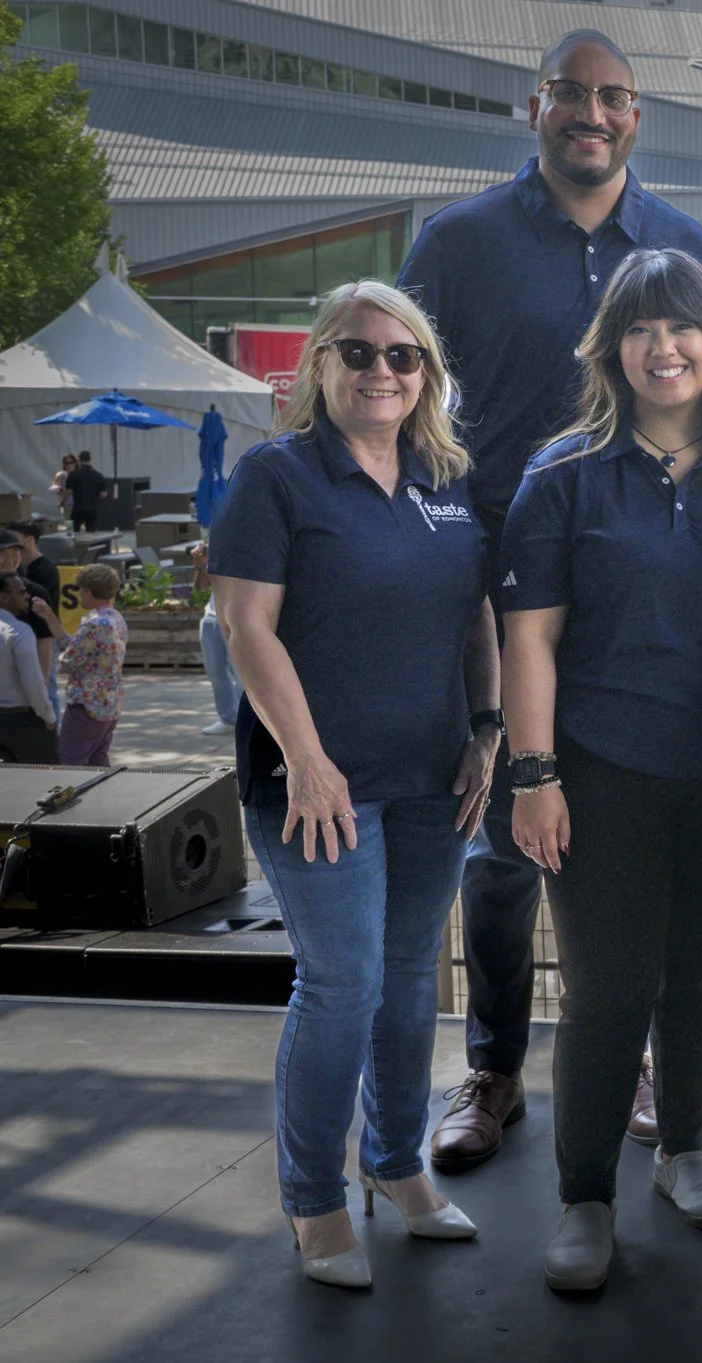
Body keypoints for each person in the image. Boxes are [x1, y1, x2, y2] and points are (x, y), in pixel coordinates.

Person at [397, 26, 702, 1170]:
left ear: (637, 116)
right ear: (534, 107)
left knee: (634, 849)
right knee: (497, 851)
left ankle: (621, 1049)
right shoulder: (454, 244)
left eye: (614, 98)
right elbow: (404, 416)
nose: (593, 113)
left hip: (645, 601)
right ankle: (492, 1066)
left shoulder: (687, 247)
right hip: (496, 605)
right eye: (572, 95)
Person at [499, 249, 702, 1290]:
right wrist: (533, 773)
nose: (663, 348)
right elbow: (528, 639)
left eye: (682, 328)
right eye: (640, 329)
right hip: (602, 768)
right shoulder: (564, 475)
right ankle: (585, 1195)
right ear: (613, 349)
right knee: (606, 987)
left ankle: (681, 1150)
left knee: (700, 973)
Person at [208, 280, 498, 1289]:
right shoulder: (277, 476)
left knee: (413, 979)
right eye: (359, 352)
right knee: (342, 985)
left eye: (402, 354)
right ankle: (313, 1199)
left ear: (426, 373)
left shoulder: (448, 479)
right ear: (319, 366)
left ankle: (395, 1167)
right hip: (314, 790)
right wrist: (308, 755)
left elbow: (475, 618)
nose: (382, 370)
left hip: (432, 779)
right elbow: (245, 625)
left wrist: (488, 729)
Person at [42, 563, 125, 766]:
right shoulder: (115, 618)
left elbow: (69, 660)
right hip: (109, 703)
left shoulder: (93, 624)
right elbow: (81, 648)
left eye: (80, 590)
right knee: (98, 760)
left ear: (88, 591)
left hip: (87, 705)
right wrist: (50, 618)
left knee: (70, 762)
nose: (79, 594)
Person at [0, 578, 57, 763]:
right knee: (52, 783)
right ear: (3, 597)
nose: (28, 596)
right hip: (22, 721)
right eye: (21, 592)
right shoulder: (18, 632)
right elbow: (33, 682)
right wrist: (48, 715)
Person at [191, 542, 242, 736]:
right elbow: (201, 587)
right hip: (211, 618)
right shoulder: (217, 548)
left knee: (241, 676)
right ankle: (228, 718)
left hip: (234, 619)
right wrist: (200, 565)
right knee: (215, 673)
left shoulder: (241, 549)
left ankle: (247, 721)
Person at [0, 531, 55, 685]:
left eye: (15, 553)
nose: (9, 560)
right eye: (3, 554)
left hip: (23, 675)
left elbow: (44, 640)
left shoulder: (34, 591)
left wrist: (42, 682)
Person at [67, 452, 108, 533]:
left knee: (73, 531)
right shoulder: (99, 475)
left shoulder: (74, 474)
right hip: (93, 509)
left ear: (79, 461)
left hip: (78, 508)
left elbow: (68, 491)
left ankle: (75, 545)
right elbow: (103, 494)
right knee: (91, 532)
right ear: (90, 460)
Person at [49, 453, 76, 522]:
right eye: (66, 463)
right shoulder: (61, 474)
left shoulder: (79, 474)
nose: (69, 465)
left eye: (71, 462)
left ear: (75, 463)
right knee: (69, 525)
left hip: (78, 505)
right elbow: (52, 488)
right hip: (66, 505)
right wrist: (61, 489)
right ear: (64, 464)